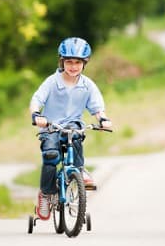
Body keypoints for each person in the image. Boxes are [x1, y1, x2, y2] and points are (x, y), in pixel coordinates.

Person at [30, 37, 113, 221]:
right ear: (62, 61)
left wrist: (103, 119)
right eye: (69, 62)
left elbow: (97, 108)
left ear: (85, 63)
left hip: (72, 126)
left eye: (77, 62)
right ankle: (46, 193)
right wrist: (36, 115)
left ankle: (79, 170)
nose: (73, 66)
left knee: (76, 138)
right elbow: (37, 99)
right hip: (51, 126)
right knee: (51, 156)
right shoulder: (52, 81)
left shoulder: (87, 85)